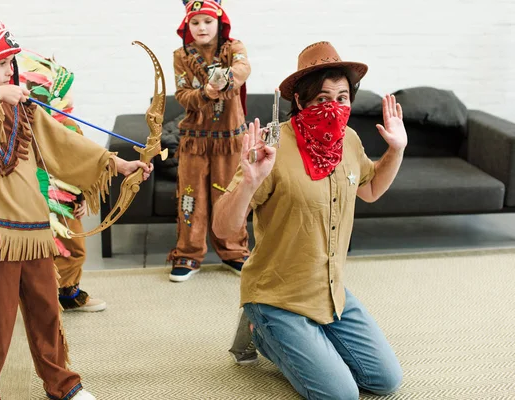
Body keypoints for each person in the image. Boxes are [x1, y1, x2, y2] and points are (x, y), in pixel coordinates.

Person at [0, 2, 151, 398]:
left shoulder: (25, 112)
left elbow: (63, 144)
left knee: (46, 311)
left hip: (35, 229)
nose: (10, 70)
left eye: (11, 63)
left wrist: (115, 164)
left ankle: (61, 384)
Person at [213, 41, 407, 399]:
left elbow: (371, 189)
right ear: (300, 102)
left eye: (342, 97)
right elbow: (223, 230)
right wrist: (250, 182)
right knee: (341, 396)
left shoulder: (348, 140)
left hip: (330, 291)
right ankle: (262, 331)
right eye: (321, 99)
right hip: (278, 296)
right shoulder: (272, 147)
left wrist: (396, 149)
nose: (333, 107)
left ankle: (310, 337)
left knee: (386, 381)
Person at [167, 0, 252, 282]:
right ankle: (188, 254)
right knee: (192, 196)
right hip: (195, 139)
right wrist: (205, 92)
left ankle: (234, 252)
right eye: (195, 22)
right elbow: (182, 95)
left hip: (230, 139)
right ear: (187, 25)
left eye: (207, 21)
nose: (201, 28)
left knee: (230, 194)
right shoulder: (181, 55)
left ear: (219, 22)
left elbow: (243, 69)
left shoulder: (234, 48)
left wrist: (225, 80)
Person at [21, 54, 107, 312]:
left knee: (72, 248)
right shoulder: (20, 126)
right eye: (64, 93)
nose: (70, 99)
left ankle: (67, 294)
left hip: (63, 202)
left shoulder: (67, 126)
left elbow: (80, 163)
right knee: (39, 252)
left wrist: (79, 197)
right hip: (31, 202)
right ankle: (41, 297)